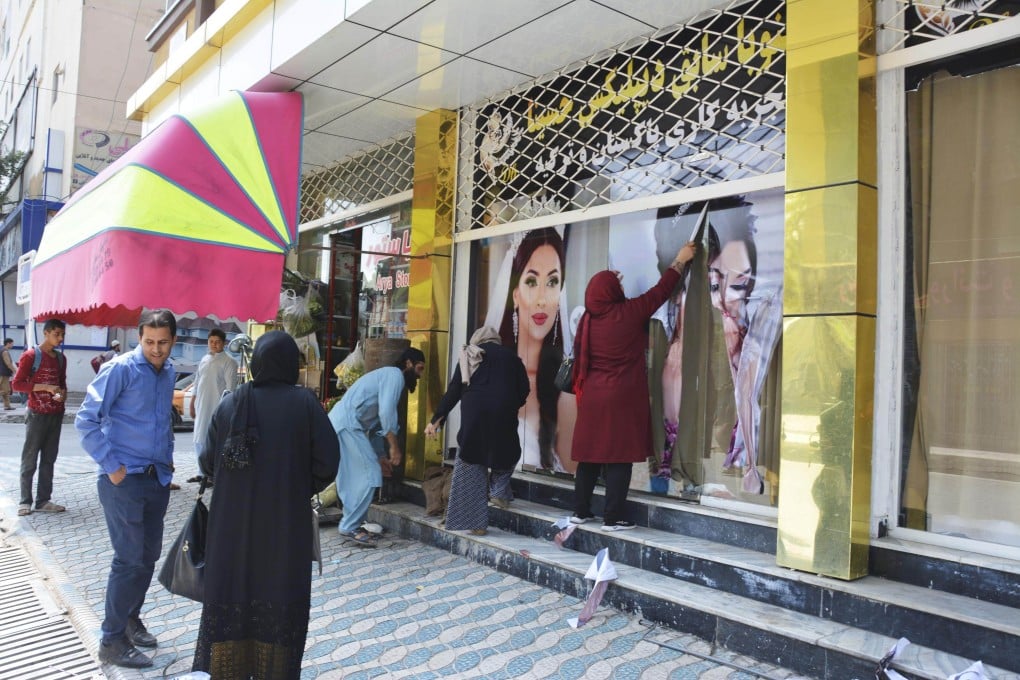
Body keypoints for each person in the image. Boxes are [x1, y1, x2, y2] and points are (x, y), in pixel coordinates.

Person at [192, 330, 339, 679]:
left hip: (231, 529)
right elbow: (329, 463)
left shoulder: (231, 404)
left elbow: (207, 462)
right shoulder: (304, 404)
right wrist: (296, 486)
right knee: (280, 597)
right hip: (284, 528)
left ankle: (229, 671)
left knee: (233, 595)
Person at [76, 309, 177, 669]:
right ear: (139, 338)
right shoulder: (120, 369)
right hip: (123, 481)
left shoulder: (167, 373)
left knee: (147, 557)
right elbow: (85, 420)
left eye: (162, 343)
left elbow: (161, 420)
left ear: (173, 341)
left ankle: (131, 620)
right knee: (129, 559)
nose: (155, 349)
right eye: (149, 342)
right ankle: (111, 639)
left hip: (157, 479)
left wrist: (167, 460)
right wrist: (111, 466)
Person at [570, 241, 696, 530]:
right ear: (613, 293)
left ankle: (580, 511)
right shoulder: (628, 313)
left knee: (589, 456)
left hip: (592, 397)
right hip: (621, 397)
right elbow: (661, 291)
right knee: (619, 456)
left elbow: (604, 293)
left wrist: (609, 281)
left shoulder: (588, 319)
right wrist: (680, 260)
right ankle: (612, 518)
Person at [425, 326, 529, 535]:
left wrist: (436, 420)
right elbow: (524, 388)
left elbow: (454, 389)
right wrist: (511, 403)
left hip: (474, 414)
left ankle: (476, 524)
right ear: (496, 340)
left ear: (477, 339)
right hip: (503, 412)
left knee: (472, 464)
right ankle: (499, 490)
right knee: (508, 452)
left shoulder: (469, 353)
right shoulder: (511, 357)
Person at [489, 227, 576, 473]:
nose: (541, 299)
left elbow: (572, 473)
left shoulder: (563, 383)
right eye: (531, 281)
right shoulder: (495, 370)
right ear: (515, 295)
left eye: (552, 282)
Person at [329, 347, 425, 546]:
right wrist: (394, 447)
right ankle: (349, 526)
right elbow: (386, 412)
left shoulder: (389, 378)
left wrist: (381, 455)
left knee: (353, 477)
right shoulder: (394, 375)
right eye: (419, 368)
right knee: (370, 474)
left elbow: (376, 428)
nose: (419, 375)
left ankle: (352, 524)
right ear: (408, 363)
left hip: (342, 424)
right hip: (347, 424)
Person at [12, 319, 68, 517]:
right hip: (36, 414)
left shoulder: (61, 359)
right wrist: (44, 387)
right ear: (45, 333)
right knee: (29, 459)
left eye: (62, 334)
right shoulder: (30, 356)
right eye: (56, 334)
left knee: (49, 460)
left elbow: (62, 386)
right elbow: (16, 384)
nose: (60, 338)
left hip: (55, 414)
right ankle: (25, 501)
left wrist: (60, 396)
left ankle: (43, 500)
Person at [187, 327, 238, 482]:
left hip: (217, 406)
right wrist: (192, 402)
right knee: (199, 438)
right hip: (201, 405)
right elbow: (197, 382)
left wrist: (226, 410)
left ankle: (212, 474)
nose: (214, 345)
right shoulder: (204, 359)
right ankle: (201, 472)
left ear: (224, 343)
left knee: (213, 439)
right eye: (211, 342)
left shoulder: (229, 362)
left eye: (217, 342)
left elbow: (230, 389)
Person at [1, 338, 16, 410]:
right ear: (8, 343)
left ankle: (7, 406)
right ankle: (7, 406)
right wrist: (15, 370)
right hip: (3, 374)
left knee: (6, 390)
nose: (12, 345)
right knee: (4, 390)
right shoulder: (5, 352)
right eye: (12, 344)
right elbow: (8, 363)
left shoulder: (2, 350)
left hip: (3, 373)